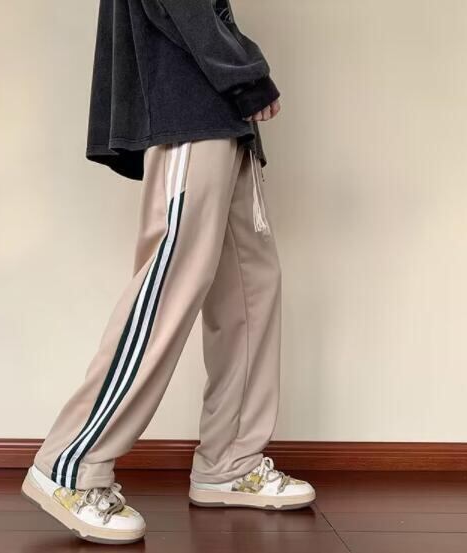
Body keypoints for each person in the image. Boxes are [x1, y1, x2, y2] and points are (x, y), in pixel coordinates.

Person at [21, 0, 315, 544]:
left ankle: (230, 461)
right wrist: (244, 73)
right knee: (172, 284)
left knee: (249, 288)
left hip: (221, 112)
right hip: (190, 104)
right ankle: (70, 462)